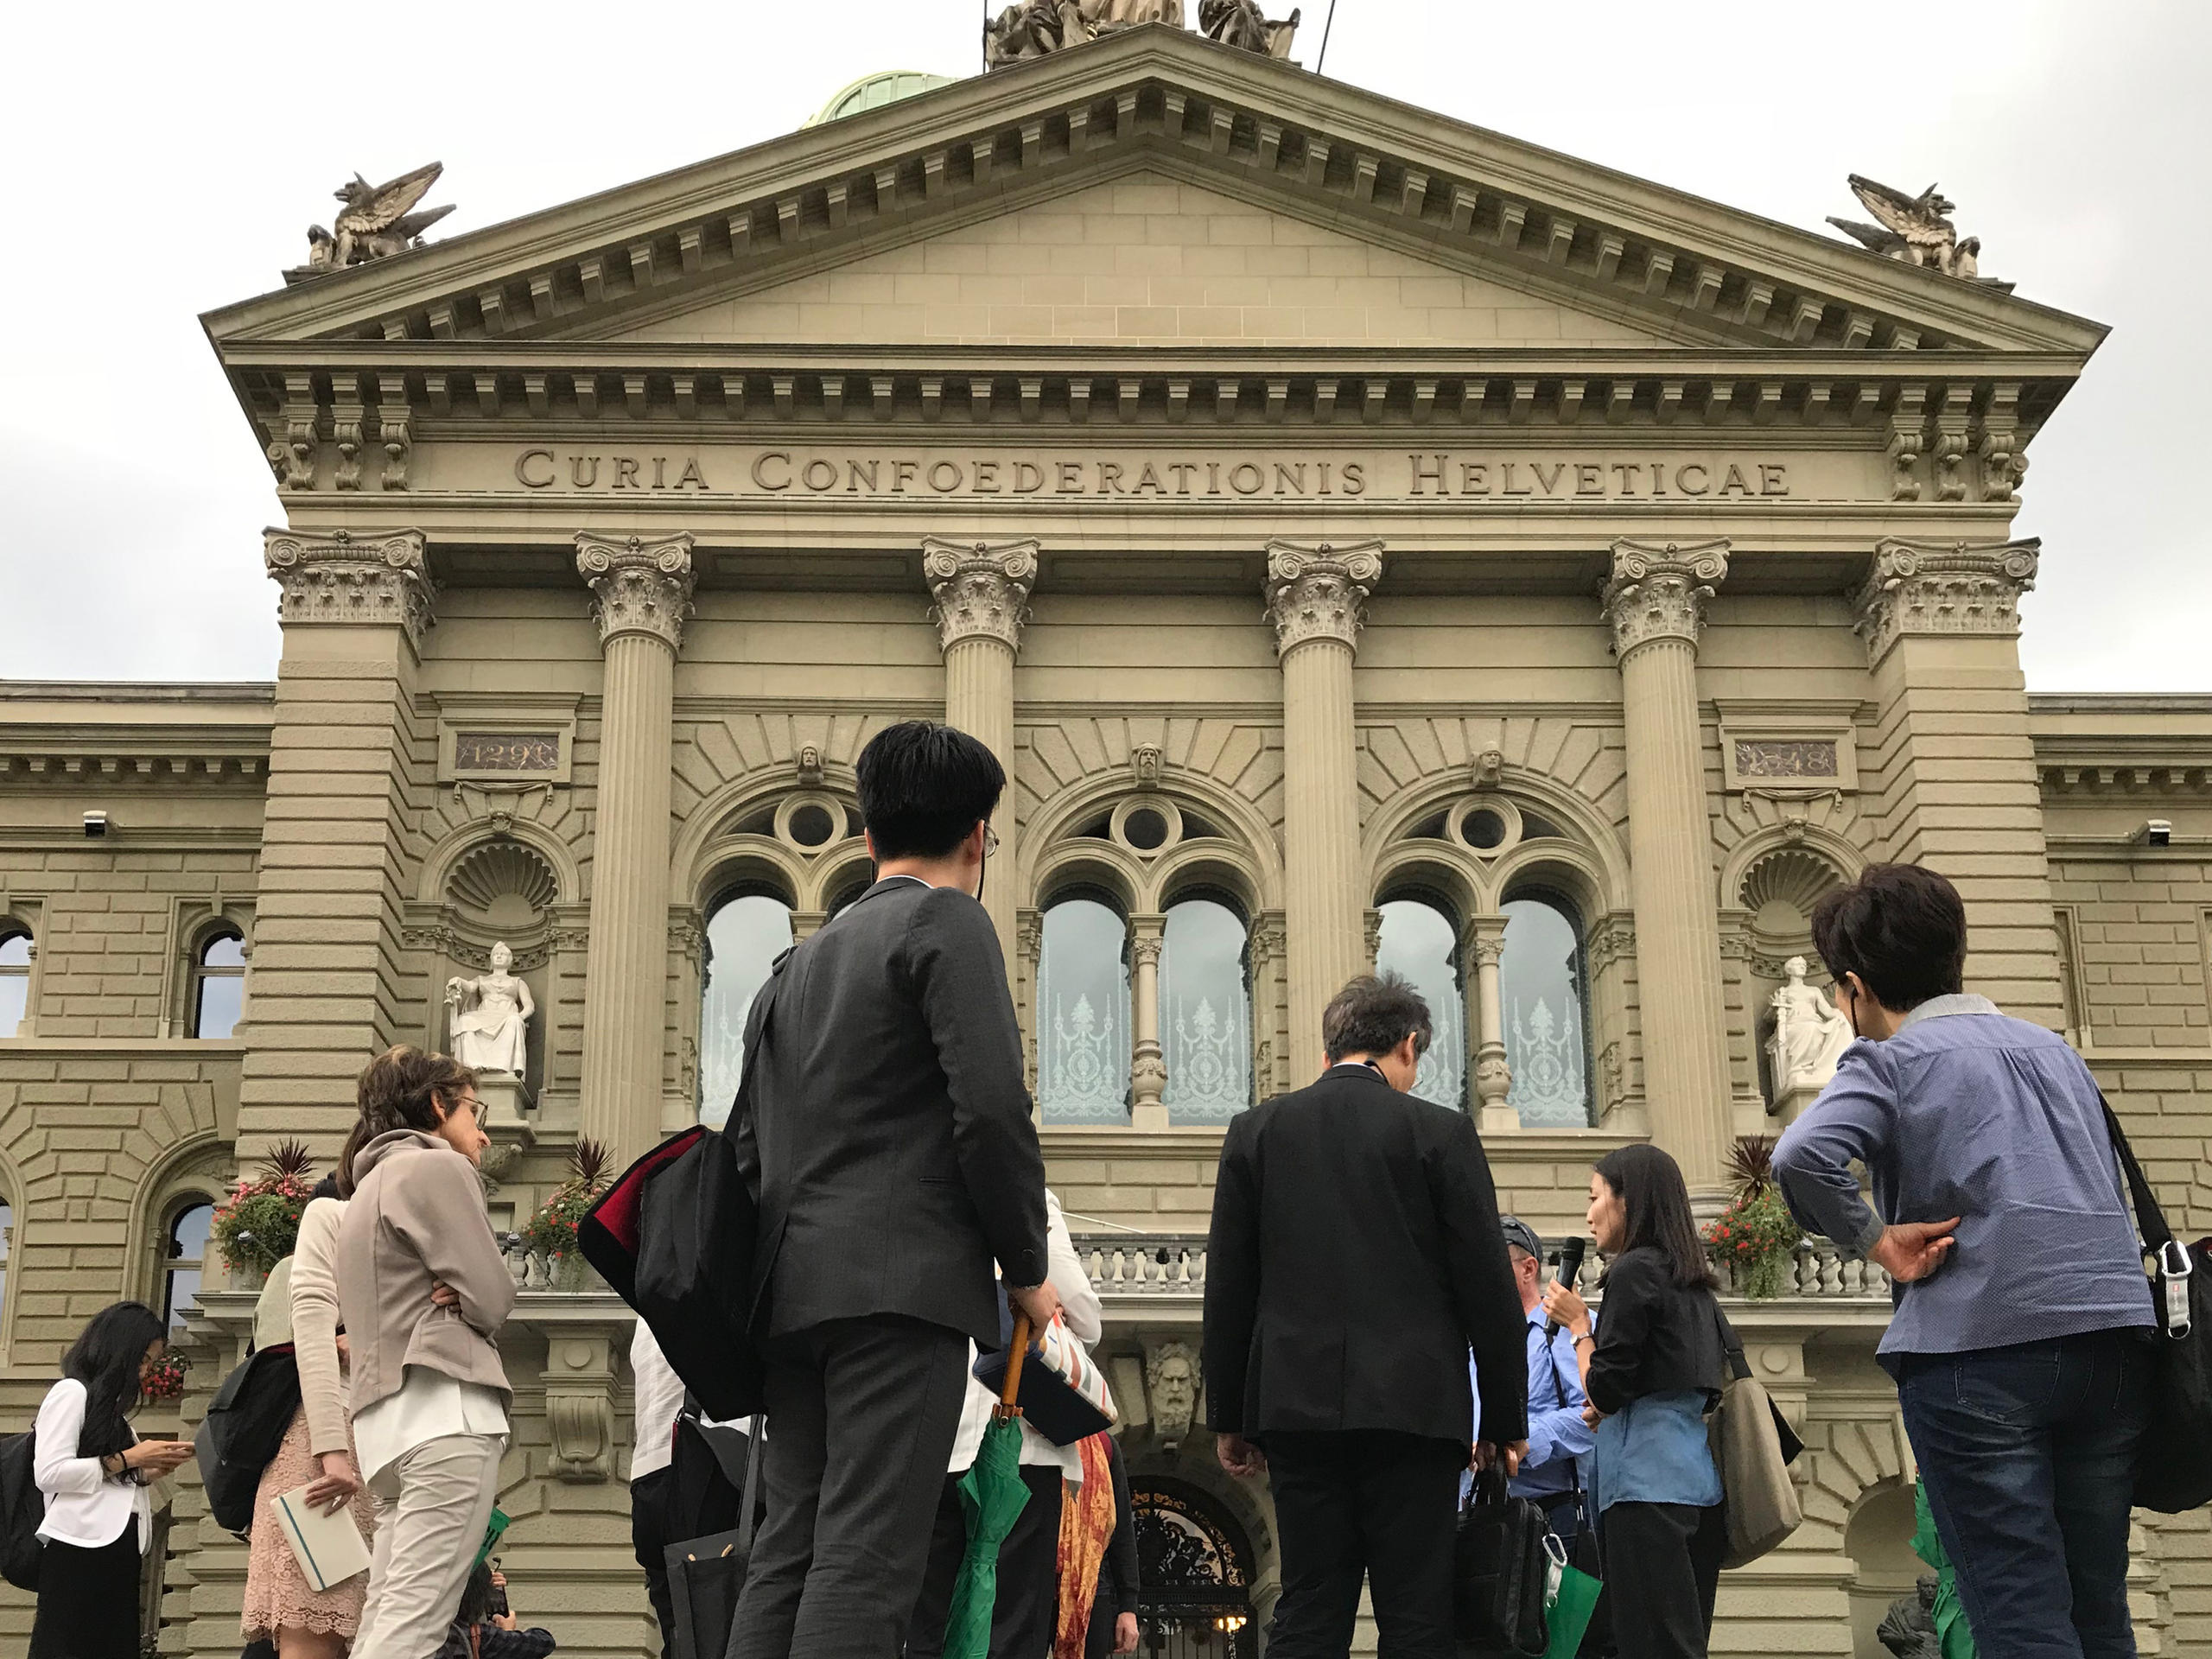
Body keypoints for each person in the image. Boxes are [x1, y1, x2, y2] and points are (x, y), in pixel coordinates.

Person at [729, 721, 1059, 1659]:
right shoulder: (947, 922)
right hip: (903, 1290)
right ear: (979, 837)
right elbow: (991, 1111)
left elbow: (746, 1146)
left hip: (791, 1297)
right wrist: (1026, 1266)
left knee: (788, 1549)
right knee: (870, 1555)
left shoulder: (791, 968)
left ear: (867, 836)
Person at [1773, 862, 2155, 1659]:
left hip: (1977, 1348)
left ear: (1855, 989)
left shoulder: (1891, 1060)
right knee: (2099, 1608)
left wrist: (1879, 1241)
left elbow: (1802, 1156)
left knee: (2016, 1608)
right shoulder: (2055, 1052)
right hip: (2112, 1342)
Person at [1203, 972, 1529, 1659]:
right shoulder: (1442, 1133)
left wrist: (1230, 1416)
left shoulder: (1256, 1133)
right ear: (1407, 1045)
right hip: (1417, 1410)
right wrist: (1503, 1421)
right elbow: (1489, 1291)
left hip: (1297, 1408)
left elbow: (1229, 1288)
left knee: (1308, 1606)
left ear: (1331, 1048)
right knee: (1418, 1616)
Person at [334, 1046, 518, 1659]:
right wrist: (470, 1293)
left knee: (388, 1617)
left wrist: (462, 1290)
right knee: (413, 1627)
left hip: (385, 1429)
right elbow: (494, 1295)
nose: (482, 1133)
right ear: (437, 1104)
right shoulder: (436, 1168)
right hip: (446, 1414)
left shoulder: (363, 1191)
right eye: (473, 1111)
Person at [1541, 1146, 1727, 1659]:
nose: (1589, 1214)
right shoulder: (1695, 1284)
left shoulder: (1633, 1272)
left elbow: (1602, 1388)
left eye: (1595, 1197)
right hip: (1695, 1485)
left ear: (1628, 1201)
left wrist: (1580, 1326)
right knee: (1682, 1643)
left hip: (1641, 1487)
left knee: (1646, 1644)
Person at [908, 1188, 1103, 1659]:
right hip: (1018, 1445)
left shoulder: (916, 1190)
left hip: (930, 1440)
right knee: (1011, 1624)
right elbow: (1084, 1317)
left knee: (930, 1623)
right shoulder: (1024, 1195)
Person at [243, 1173, 376, 1657]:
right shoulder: (295, 1269)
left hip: (347, 1444)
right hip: (314, 1447)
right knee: (314, 1609)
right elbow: (279, 1353)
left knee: (342, 1618)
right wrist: (344, 1343)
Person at [29, 1300, 195, 1659]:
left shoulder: (111, 1413)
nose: (145, 1371)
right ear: (121, 1349)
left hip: (115, 1549)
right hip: (80, 1548)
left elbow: (107, 1476)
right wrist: (132, 1458)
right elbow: (50, 1472)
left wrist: (148, 1470)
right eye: (144, 1359)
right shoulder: (72, 1392)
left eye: (152, 1362)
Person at [628, 1320, 750, 1659]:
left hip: (649, 1473)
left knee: (682, 1635)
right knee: (728, 1627)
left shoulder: (645, 1315)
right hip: (710, 1460)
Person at [1481, 1216, 1596, 1548]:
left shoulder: (1563, 1328)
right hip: (1485, 1515)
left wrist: (1525, 1440)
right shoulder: (1474, 1341)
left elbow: (1594, 1413)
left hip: (1557, 1518)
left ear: (1528, 1269)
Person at [1084, 1435, 1140, 1659]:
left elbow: (1122, 1527)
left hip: (1093, 1588)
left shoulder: (1104, 1445)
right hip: (1031, 1584)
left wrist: (1128, 1606)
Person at [433, 1562, 556, 1659]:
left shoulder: (428, 1626)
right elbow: (544, 1642)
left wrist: (480, 1580)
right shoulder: (479, 1636)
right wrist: (507, 1631)